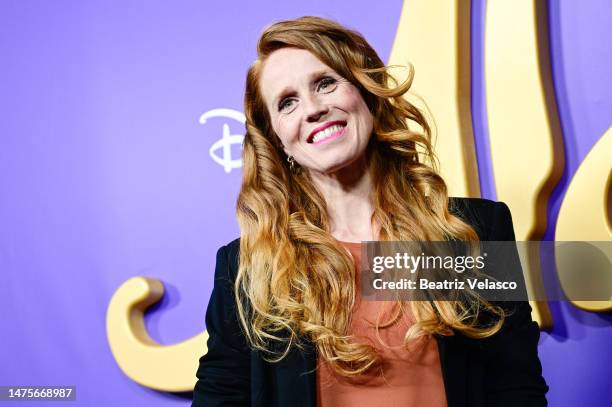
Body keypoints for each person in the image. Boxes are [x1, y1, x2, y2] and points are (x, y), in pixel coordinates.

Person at [192, 16, 548, 407]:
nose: (312, 109)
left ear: (367, 93)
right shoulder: (248, 266)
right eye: (287, 102)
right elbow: (221, 396)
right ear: (278, 140)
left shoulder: (474, 231)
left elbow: (517, 387)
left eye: (326, 82)